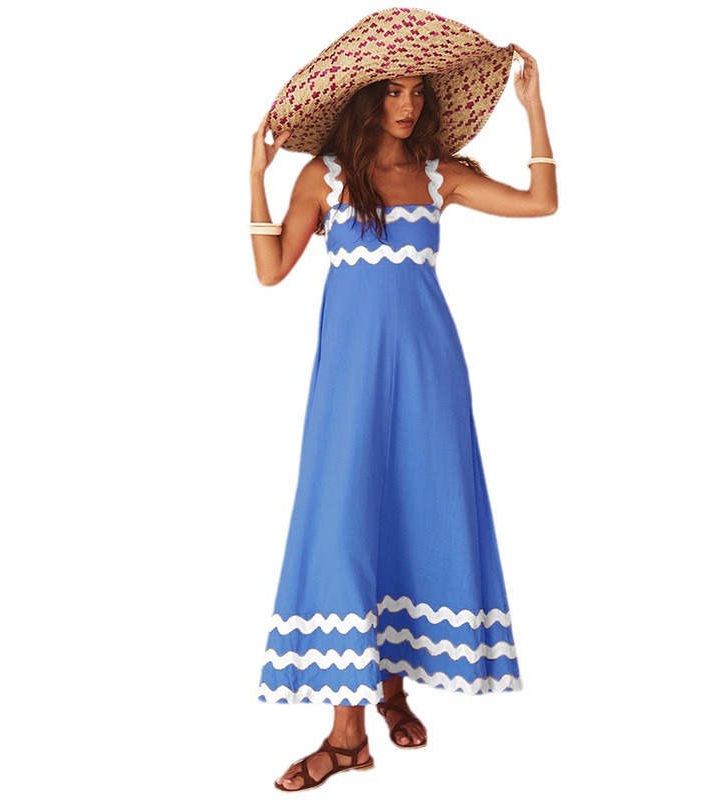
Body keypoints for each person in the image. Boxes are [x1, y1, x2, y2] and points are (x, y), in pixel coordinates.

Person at [249, 14, 556, 793]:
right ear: (367, 99)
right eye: (393, 91)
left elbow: (541, 203)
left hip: (427, 374)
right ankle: (347, 734)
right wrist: (253, 177)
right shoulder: (323, 177)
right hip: (347, 382)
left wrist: (533, 109)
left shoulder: (439, 176)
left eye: (417, 92)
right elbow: (272, 269)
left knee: (410, 516)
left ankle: (387, 698)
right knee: (345, 524)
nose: (408, 105)